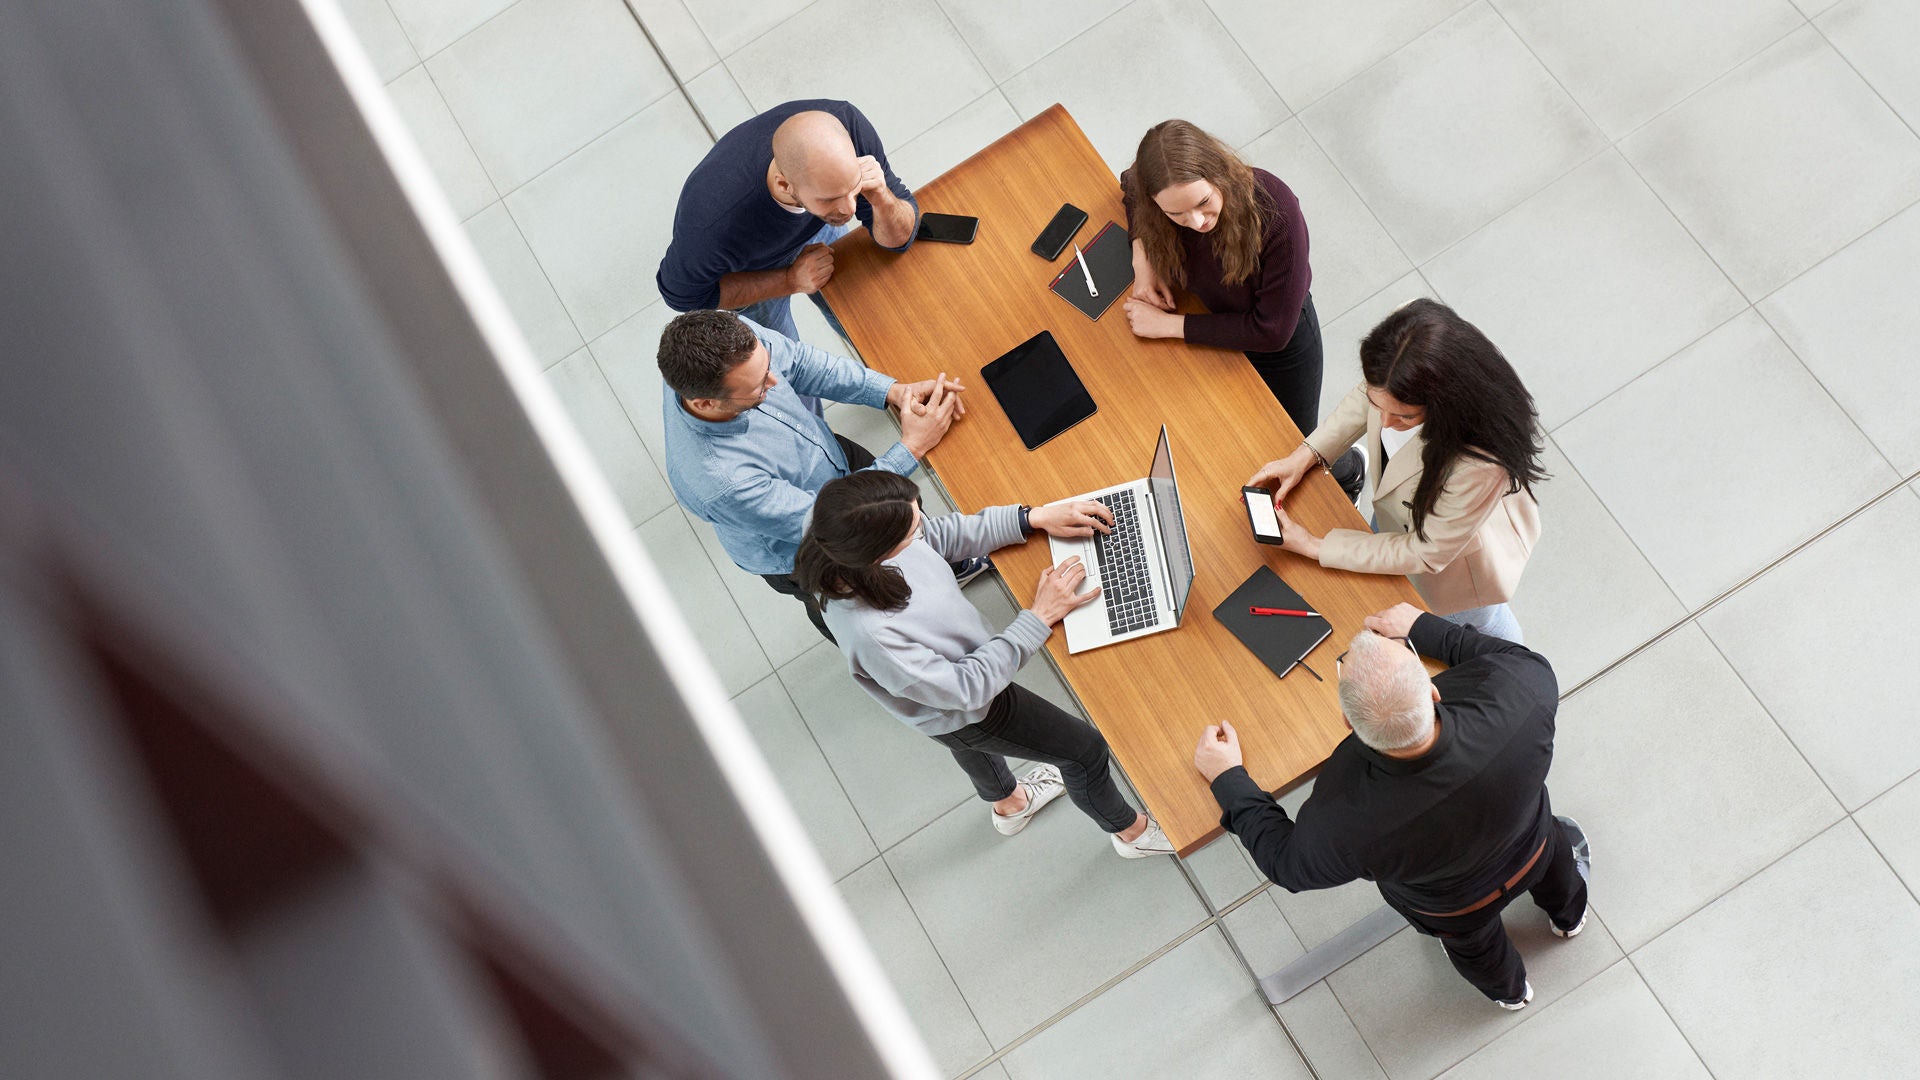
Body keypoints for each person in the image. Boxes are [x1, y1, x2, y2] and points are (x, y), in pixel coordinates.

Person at [1191, 603, 1591, 1009]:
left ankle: (1512, 993)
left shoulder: (1343, 819)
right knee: (1561, 875)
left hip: (1455, 909)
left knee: (1478, 952)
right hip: (1534, 844)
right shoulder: (1521, 695)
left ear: (1349, 724)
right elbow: (1516, 658)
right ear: (1435, 692)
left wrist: (1228, 779)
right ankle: (1569, 918)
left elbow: (1285, 864)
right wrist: (1424, 629)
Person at [796, 470, 1175, 858]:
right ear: (878, 553)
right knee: (1084, 750)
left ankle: (1011, 805)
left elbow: (936, 536)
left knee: (962, 739)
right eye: (910, 532)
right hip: (971, 700)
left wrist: (1031, 518)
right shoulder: (873, 633)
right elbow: (966, 690)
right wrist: (1039, 617)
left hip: (944, 697)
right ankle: (1132, 834)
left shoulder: (832, 526)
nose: (921, 528)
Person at [659, 309, 978, 642]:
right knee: (864, 605)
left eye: (766, 366)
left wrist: (893, 392)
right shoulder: (723, 482)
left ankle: (948, 565)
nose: (776, 381)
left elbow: (798, 363)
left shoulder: (726, 338)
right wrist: (912, 447)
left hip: (826, 458)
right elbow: (835, 521)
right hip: (810, 542)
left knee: (903, 510)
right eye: (758, 387)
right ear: (707, 403)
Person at [1246, 299, 1544, 643]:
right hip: (1400, 516)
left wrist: (1313, 545)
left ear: (1446, 402)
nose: (1385, 422)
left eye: (1405, 417)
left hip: (1453, 570)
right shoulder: (1403, 340)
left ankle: (1518, 660)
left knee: (1477, 628)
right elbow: (1368, 395)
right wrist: (1306, 455)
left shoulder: (1479, 464)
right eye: (1380, 407)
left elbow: (1424, 551)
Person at [1120, 119, 1361, 499]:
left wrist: (1169, 326)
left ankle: (1350, 474)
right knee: (1241, 437)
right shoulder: (1159, 192)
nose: (1196, 222)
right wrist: (1143, 260)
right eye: (1176, 215)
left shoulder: (1275, 210)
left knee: (1299, 442)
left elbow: (1272, 330)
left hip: (1281, 350)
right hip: (1216, 327)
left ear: (1219, 173)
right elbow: (1131, 187)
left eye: (1203, 204)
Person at [656, 100, 918, 414]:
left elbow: (898, 241)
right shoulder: (713, 224)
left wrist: (879, 198)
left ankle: (900, 391)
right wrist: (789, 279)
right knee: (782, 372)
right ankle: (823, 445)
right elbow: (681, 295)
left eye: (853, 190)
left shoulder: (846, 127)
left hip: (813, 220)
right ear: (784, 185)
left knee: (864, 309)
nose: (850, 210)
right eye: (833, 197)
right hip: (751, 266)